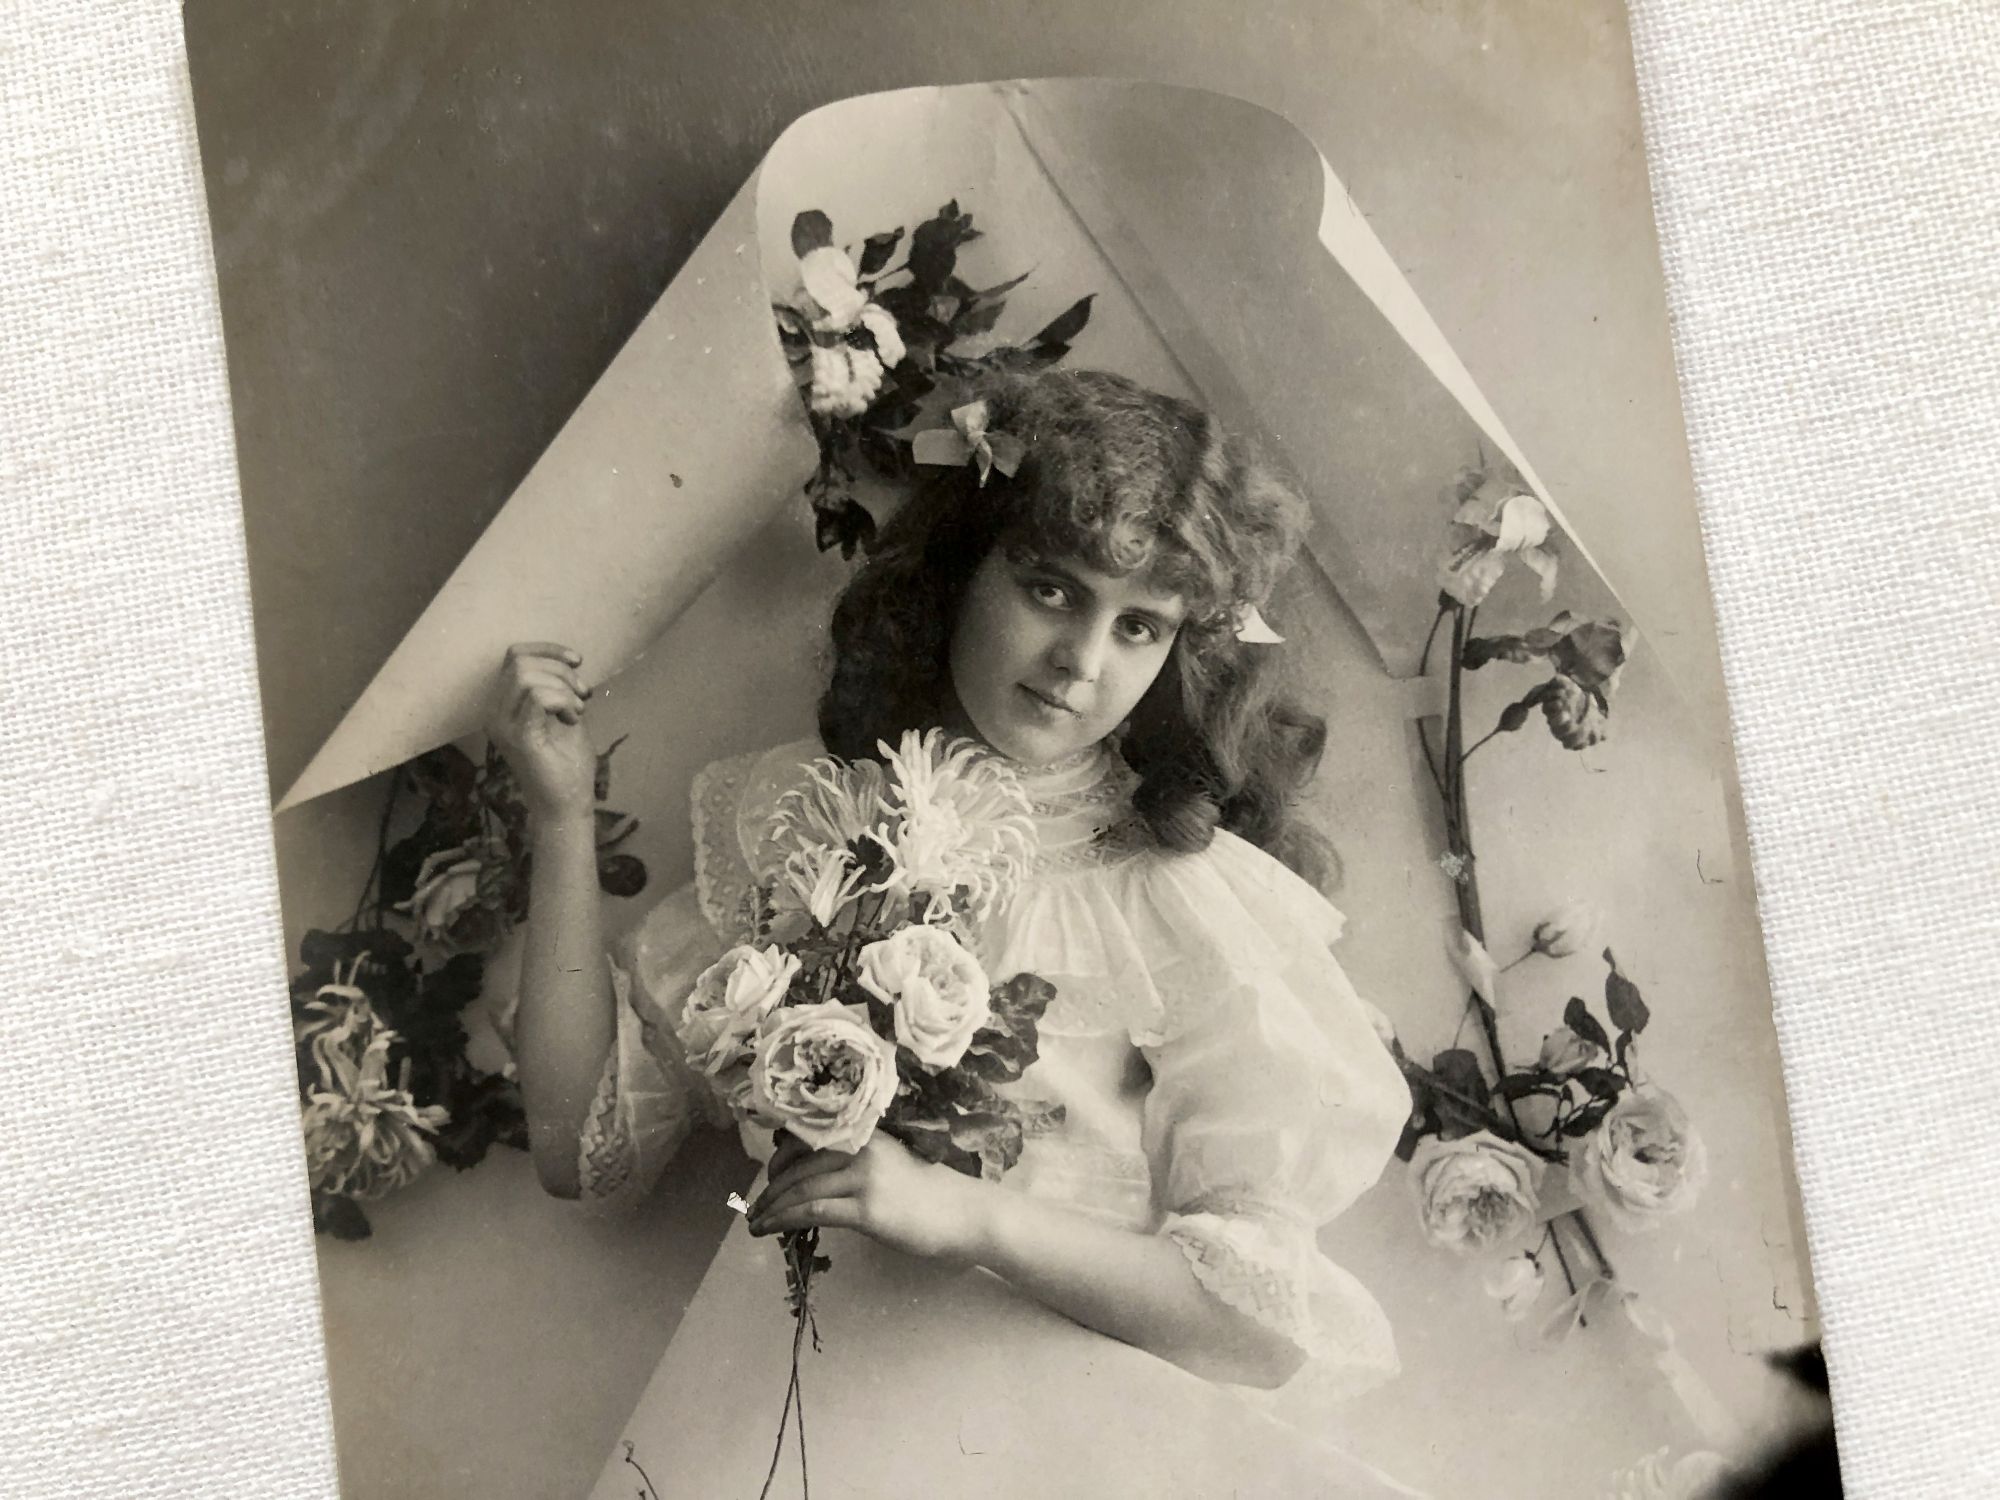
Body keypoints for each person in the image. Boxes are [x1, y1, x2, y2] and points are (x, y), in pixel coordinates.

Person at [487, 368, 1422, 1498]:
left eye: (1137, 625)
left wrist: (963, 1216)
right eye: (1047, 588)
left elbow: (1258, 1322)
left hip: (1036, 1446)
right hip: (786, 1419)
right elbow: (579, 1148)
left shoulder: (1189, 903)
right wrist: (558, 817)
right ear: (959, 572)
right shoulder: (797, 820)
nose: (1081, 661)